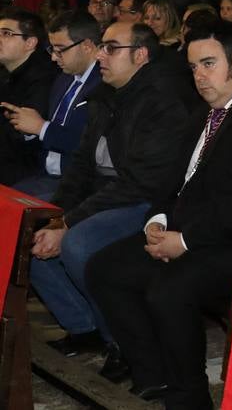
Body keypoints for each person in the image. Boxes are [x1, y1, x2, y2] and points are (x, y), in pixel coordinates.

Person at [85, 19, 232, 407]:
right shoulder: (208, 109)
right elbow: (177, 181)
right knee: (107, 268)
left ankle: (189, 397)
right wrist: (158, 221)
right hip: (201, 230)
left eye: (208, 64)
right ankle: (153, 375)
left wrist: (185, 241)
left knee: (169, 288)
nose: (199, 77)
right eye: (193, 67)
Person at [25, 21, 192, 369]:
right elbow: (82, 166)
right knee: (30, 229)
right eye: (102, 46)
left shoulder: (163, 101)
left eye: (112, 48)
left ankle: (121, 341)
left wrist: (68, 223)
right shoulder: (105, 95)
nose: (101, 55)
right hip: (107, 195)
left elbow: (139, 182)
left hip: (146, 201)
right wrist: (56, 215)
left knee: (78, 244)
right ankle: (83, 327)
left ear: (141, 55)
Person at [7, 12, 103, 200]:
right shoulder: (63, 79)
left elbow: (92, 147)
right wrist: (28, 128)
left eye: (60, 49)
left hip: (80, 183)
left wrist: (42, 128)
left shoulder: (104, 85)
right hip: (44, 175)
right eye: (52, 49)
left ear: (87, 46)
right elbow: (44, 135)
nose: (53, 57)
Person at [0, 9, 58, 184]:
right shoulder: (6, 72)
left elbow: (21, 136)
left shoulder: (45, 76)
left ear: (30, 42)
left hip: (30, 169)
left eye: (6, 34)